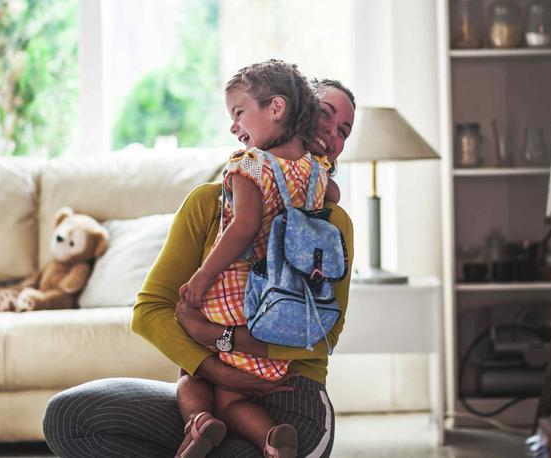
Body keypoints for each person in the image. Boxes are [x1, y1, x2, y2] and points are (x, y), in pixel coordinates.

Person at [42, 77, 356, 458]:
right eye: (324, 114)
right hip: (211, 389)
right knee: (69, 416)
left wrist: (212, 333)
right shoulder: (209, 202)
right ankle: (200, 427)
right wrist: (215, 368)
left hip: (292, 397)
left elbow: (321, 333)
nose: (330, 132)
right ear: (291, 111)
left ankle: (243, 438)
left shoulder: (330, 221)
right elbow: (150, 310)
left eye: (343, 130)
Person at [174, 60, 328, 458]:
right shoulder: (314, 171)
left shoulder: (250, 166)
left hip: (235, 298)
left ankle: (200, 423)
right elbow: (334, 201)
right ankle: (272, 438)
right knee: (231, 393)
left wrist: (202, 277)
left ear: (275, 108)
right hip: (283, 305)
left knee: (199, 376)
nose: (233, 126)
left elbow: (242, 227)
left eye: (239, 113)